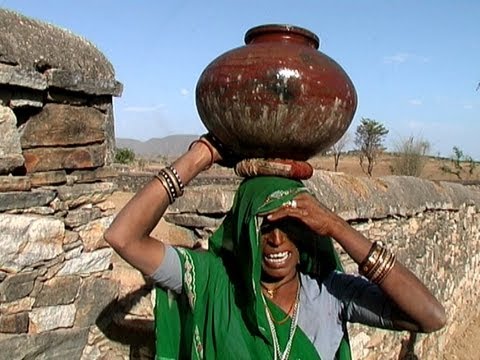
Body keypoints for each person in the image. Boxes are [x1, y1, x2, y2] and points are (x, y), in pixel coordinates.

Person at [104, 136, 446, 360]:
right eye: (263, 226)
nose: (277, 239)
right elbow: (124, 237)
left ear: (309, 234)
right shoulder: (214, 281)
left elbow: (430, 317)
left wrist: (338, 227)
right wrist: (200, 156)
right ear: (243, 232)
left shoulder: (330, 294)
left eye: (290, 226)